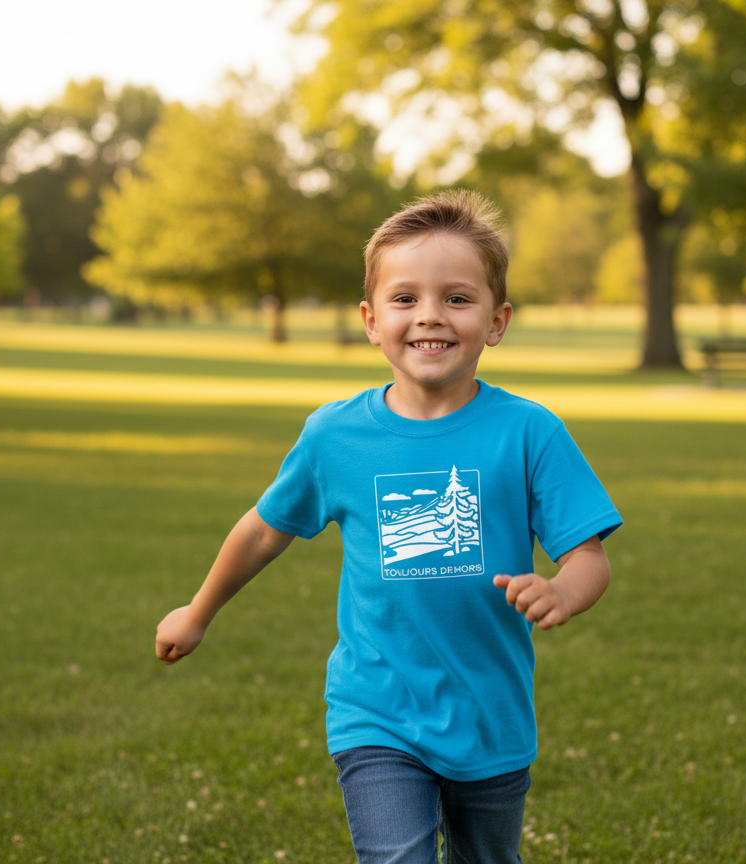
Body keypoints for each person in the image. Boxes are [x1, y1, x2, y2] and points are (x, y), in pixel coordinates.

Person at [155, 189, 622, 863]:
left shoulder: (530, 432)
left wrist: (562, 590)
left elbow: (589, 557)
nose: (429, 315)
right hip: (376, 710)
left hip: (490, 713)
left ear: (497, 320)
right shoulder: (335, 434)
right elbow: (264, 529)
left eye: (458, 298)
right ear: (372, 320)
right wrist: (197, 612)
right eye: (406, 299)